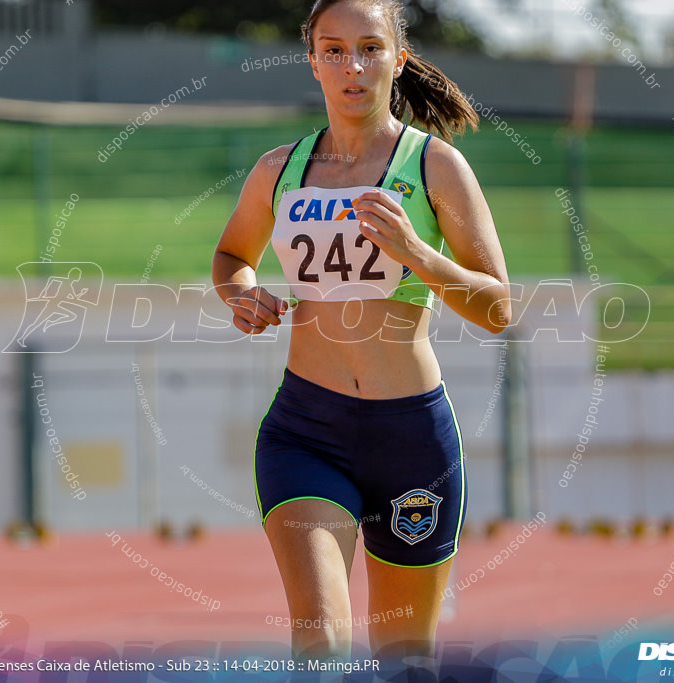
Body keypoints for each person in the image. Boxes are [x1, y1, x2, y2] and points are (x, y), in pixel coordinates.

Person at [211, 0, 510, 668]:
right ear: (313, 60)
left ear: (397, 61)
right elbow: (232, 255)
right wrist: (241, 291)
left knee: (406, 659)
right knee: (320, 645)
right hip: (305, 432)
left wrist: (418, 253)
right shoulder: (278, 171)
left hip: (411, 438)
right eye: (335, 48)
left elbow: (498, 306)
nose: (354, 65)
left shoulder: (436, 169)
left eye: (371, 48)